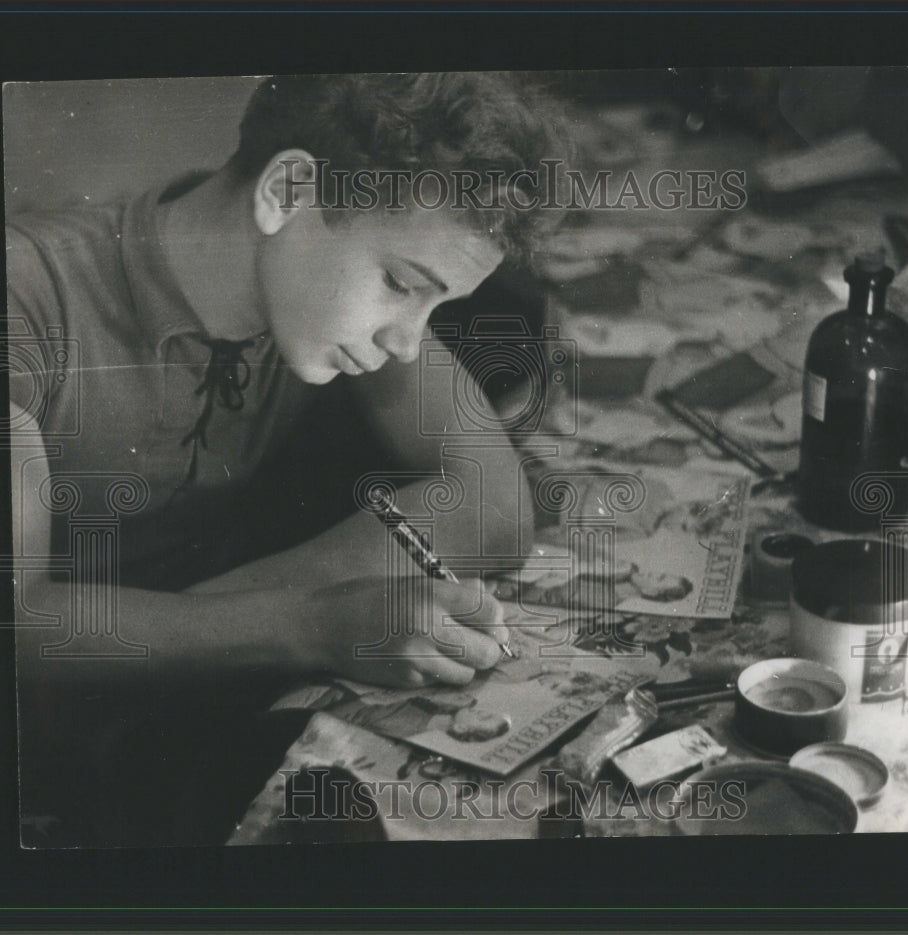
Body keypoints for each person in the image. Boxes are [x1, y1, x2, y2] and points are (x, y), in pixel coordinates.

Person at [7, 72, 566, 845]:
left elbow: (495, 507)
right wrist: (310, 623)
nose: (408, 339)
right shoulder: (24, 299)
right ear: (288, 190)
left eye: (434, 304)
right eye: (403, 284)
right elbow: (21, 627)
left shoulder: (320, 284)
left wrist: (210, 618)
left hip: (157, 692)